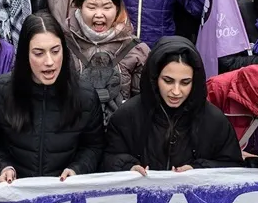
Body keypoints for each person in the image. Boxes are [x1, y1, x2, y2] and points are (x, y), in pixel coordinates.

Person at [0, 13, 105, 182]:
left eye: (55, 51)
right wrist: (2, 167)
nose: (49, 61)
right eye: (39, 53)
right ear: (25, 55)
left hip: (64, 196)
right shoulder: (0, 91)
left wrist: (77, 169)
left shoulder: (85, 95)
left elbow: (94, 146)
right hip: (14, 195)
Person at [103, 36, 242, 173]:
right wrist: (128, 168)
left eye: (185, 82)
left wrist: (199, 170)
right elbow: (106, 160)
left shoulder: (214, 120)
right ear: (154, 77)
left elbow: (232, 167)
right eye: (168, 81)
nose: (176, 91)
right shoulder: (127, 115)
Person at [63, 0, 148, 119]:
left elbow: (144, 102)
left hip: (119, 129)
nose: (99, 14)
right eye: (91, 7)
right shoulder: (62, 45)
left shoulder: (136, 50)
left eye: (107, 7)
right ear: (79, 6)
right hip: (74, 129)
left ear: (117, 8)